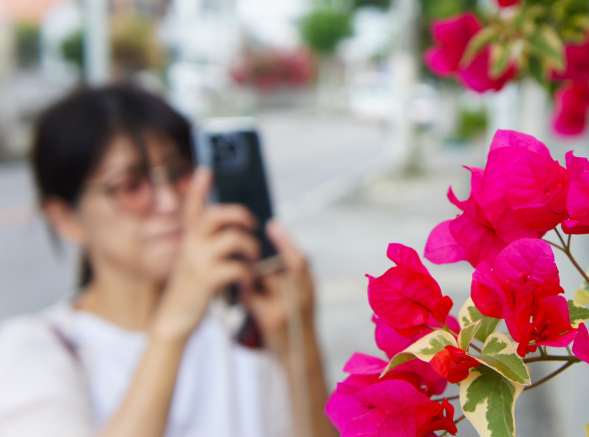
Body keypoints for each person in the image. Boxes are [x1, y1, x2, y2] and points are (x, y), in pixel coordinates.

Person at [0, 85, 337, 437]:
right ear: (65, 218)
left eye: (179, 174)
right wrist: (173, 323)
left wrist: (300, 342)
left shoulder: (243, 330)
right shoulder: (36, 349)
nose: (168, 202)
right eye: (131, 186)